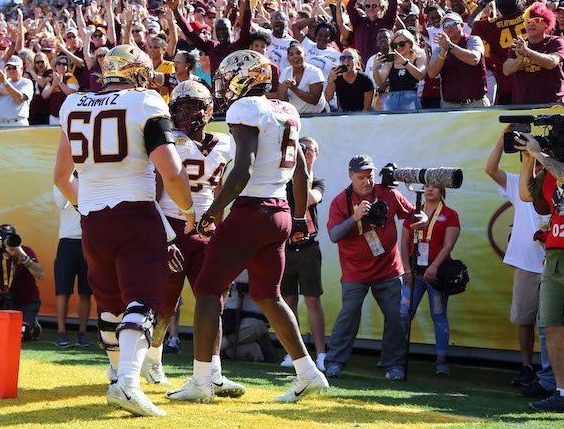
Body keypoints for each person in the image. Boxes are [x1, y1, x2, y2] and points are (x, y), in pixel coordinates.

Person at [167, 50, 328, 404]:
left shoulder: (247, 108)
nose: (224, 86)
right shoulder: (287, 110)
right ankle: (309, 373)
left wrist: (213, 211)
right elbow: (300, 172)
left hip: (251, 211)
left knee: (208, 289)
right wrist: (299, 218)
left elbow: (242, 170)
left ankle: (201, 380)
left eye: (226, 79)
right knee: (268, 295)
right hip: (281, 212)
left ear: (244, 77)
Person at [54, 44, 195, 417]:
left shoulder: (73, 105)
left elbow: (61, 177)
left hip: (93, 221)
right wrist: (187, 208)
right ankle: (129, 385)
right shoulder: (145, 102)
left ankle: (118, 374)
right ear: (139, 74)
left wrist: (89, 206)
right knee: (143, 301)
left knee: (112, 305)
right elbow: (171, 169)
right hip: (135, 214)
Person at [144, 81, 244, 397]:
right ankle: (152, 361)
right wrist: (164, 237)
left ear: (209, 109)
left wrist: (221, 232)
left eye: (197, 106)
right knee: (165, 305)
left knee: (212, 300)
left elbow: (222, 193)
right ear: (173, 112)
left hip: (207, 229)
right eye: (184, 107)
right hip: (173, 226)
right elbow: (153, 194)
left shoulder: (227, 143)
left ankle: (212, 371)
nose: (191, 113)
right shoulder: (167, 142)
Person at [324, 155, 427, 381]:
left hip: (388, 269)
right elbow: (333, 235)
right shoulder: (340, 202)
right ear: (350, 176)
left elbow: (412, 214)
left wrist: (423, 217)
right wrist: (355, 216)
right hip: (354, 271)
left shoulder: (389, 193)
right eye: (360, 177)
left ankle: (395, 365)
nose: (366, 181)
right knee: (349, 314)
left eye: (369, 176)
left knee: (396, 317)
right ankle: (334, 363)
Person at [485, 129, 555, 394]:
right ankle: (528, 367)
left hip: (555, 263)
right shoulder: (517, 183)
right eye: (530, 159)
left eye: (537, 159)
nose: (535, 164)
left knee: (554, 323)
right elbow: (490, 169)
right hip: (527, 263)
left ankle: (558, 371)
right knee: (525, 318)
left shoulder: (560, 182)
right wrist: (501, 137)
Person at [516, 122, 564, 412]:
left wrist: (539, 155)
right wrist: (528, 158)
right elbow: (528, 196)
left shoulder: (560, 168)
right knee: (554, 327)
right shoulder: (552, 169)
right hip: (554, 258)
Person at [399, 185, 460, 375]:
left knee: (439, 315)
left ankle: (441, 361)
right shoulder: (414, 213)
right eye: (426, 186)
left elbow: (449, 244)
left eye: (434, 186)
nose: (429, 189)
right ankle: (397, 357)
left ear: (442, 190)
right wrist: (407, 270)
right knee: (403, 313)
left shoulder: (450, 214)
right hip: (415, 272)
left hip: (437, 273)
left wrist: (434, 267)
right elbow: (404, 243)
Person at [279, 136, 327, 371]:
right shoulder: (285, 181)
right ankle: (294, 353)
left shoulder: (316, 181)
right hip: (285, 247)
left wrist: (305, 171)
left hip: (308, 247)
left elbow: (309, 199)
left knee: (312, 300)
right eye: (303, 148)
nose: (307, 151)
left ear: (317, 154)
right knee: (288, 301)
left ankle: (321, 354)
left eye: (311, 149)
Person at [0, 224, 44, 341]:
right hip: (6, 301)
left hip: (28, 300)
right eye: (5, 238)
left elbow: (40, 275)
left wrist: (23, 257)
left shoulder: (25, 251)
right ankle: (28, 323)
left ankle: (32, 326)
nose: (8, 241)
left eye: (11, 237)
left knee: (21, 335)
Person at [52, 177, 93, 348]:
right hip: (67, 241)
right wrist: (72, 179)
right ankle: (62, 333)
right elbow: (61, 203)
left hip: (88, 241)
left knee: (86, 291)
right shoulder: (63, 179)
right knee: (63, 291)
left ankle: (82, 333)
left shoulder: (91, 178)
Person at [502, 3, 564, 105]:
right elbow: (506, 70)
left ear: (546, 23)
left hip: (552, 106)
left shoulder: (556, 41)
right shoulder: (519, 44)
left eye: (536, 20)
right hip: (523, 106)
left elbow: (552, 63)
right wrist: (519, 60)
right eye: (528, 21)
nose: (531, 24)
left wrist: (528, 52)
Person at [426, 12, 490, 108]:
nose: (449, 27)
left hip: (476, 103)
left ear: (462, 25)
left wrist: (450, 46)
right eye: (445, 25)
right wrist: (443, 53)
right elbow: (431, 73)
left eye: (453, 24)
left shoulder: (473, 40)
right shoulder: (439, 49)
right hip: (450, 105)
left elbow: (474, 59)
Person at [220, 270, 278, 363]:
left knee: (256, 326)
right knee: (254, 349)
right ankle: (223, 350)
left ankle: (220, 346)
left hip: (255, 318)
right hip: (230, 316)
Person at [374, 29, 427, 112]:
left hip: (410, 99)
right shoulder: (391, 61)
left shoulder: (418, 57)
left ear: (410, 43)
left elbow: (421, 75)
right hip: (392, 99)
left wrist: (405, 62)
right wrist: (375, 68)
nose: (398, 47)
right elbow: (380, 81)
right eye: (395, 45)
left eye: (401, 44)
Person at [276, 41, 326, 114]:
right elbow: (282, 100)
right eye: (291, 54)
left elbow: (314, 100)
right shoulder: (285, 73)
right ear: (288, 59)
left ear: (305, 55)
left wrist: (295, 89)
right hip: (295, 116)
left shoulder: (315, 72)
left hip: (317, 116)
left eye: (298, 53)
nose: (295, 56)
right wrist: (284, 90)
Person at [0, 55, 34, 127]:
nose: (11, 71)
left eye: (14, 68)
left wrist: (5, 83)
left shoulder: (26, 82)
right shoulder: (2, 82)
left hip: (17, 123)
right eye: (9, 68)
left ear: (21, 69)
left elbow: (19, 99)